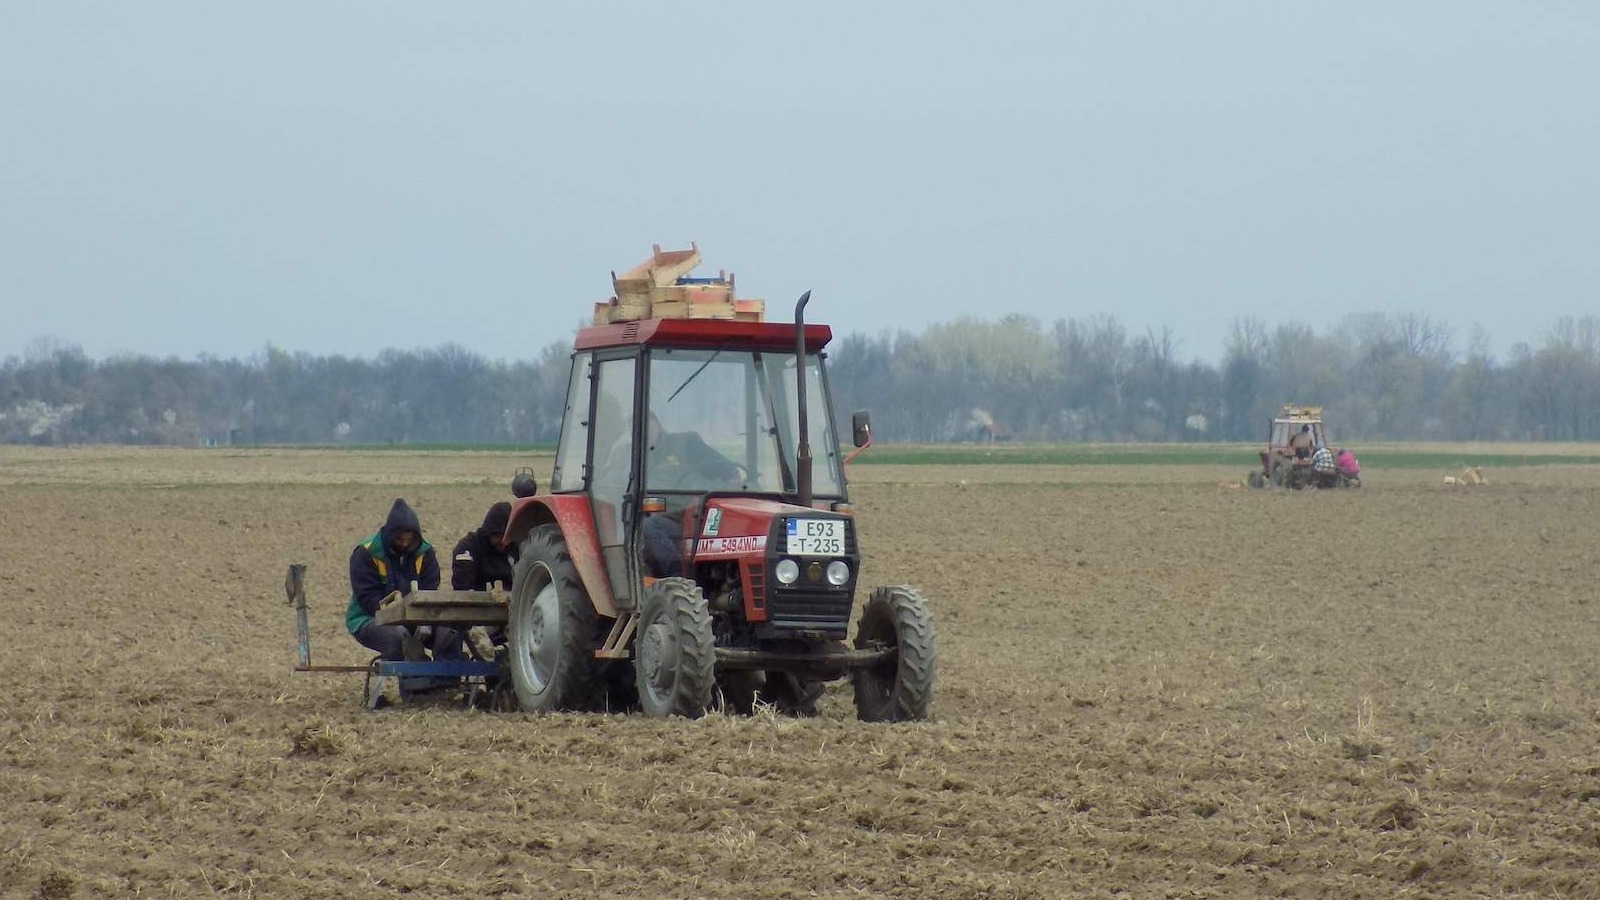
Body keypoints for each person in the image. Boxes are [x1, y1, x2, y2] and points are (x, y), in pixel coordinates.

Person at [345, 498, 464, 664]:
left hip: (419, 617)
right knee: (399, 637)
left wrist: (425, 621)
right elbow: (367, 597)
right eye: (400, 539)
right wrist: (397, 615)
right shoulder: (367, 552)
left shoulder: (425, 553)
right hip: (369, 617)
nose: (405, 544)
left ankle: (446, 676)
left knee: (448, 633)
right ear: (390, 535)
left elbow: (430, 589)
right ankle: (413, 679)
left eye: (409, 539)